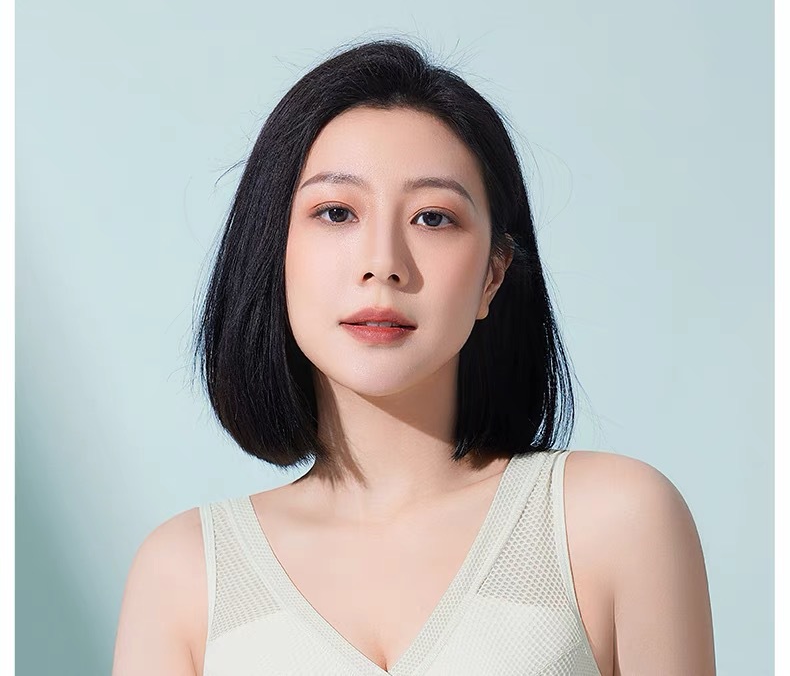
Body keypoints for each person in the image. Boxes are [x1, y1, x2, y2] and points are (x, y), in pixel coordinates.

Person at [112, 38, 716, 676]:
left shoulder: (616, 521)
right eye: (336, 212)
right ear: (274, 254)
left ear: (492, 276)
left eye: (432, 218)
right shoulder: (186, 574)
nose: (383, 264)